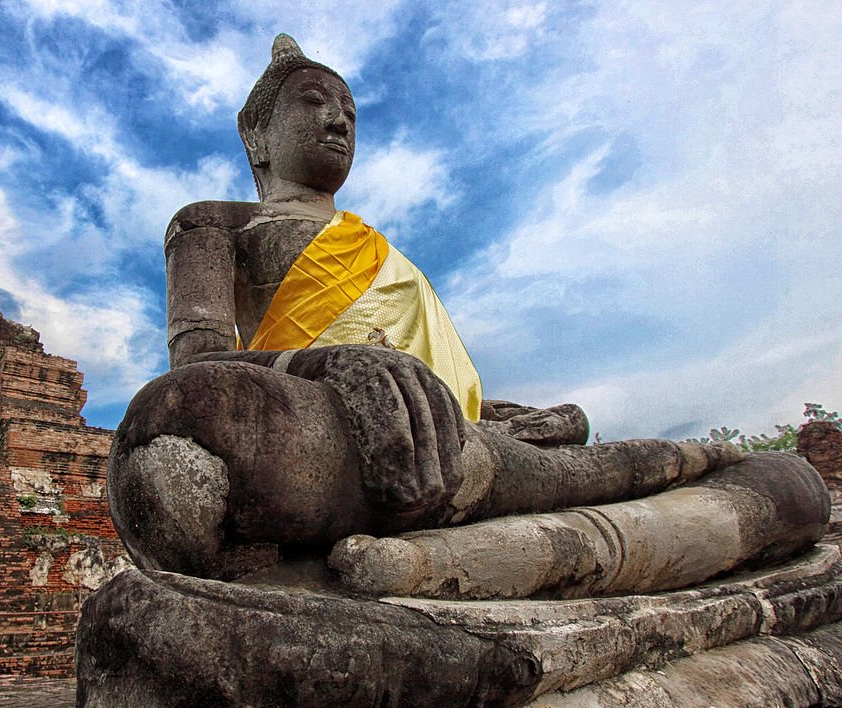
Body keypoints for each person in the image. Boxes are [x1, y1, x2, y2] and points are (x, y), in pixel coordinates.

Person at [107, 35, 823, 591]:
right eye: (314, 103)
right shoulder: (212, 224)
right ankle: (691, 479)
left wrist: (493, 413)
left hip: (443, 432)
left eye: (351, 112)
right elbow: (197, 368)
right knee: (188, 415)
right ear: (257, 137)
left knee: (542, 444)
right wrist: (330, 362)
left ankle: (699, 466)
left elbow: (434, 380)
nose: (338, 120)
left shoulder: (380, 250)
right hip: (318, 418)